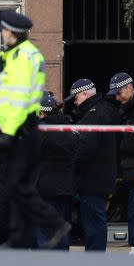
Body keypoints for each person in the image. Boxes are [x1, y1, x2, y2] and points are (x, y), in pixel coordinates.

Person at [0, 10, 71, 249]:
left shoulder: (26, 56)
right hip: (14, 126)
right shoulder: (12, 54)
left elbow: (22, 98)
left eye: (4, 30)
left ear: (12, 32)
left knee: (18, 185)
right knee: (15, 184)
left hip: (21, 128)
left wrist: (9, 130)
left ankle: (54, 222)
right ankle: (19, 239)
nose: (2, 34)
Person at [65, 78, 118, 252]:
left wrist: (72, 166)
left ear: (85, 94)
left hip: (92, 179)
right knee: (95, 220)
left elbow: (86, 147)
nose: (75, 101)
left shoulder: (94, 114)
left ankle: (94, 259)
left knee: (93, 222)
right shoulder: (104, 110)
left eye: (76, 97)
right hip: (99, 177)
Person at [107, 72, 134, 254]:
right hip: (127, 170)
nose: (117, 97)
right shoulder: (127, 108)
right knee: (126, 207)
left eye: (119, 93)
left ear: (129, 88)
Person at [36, 92, 77, 250]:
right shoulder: (68, 129)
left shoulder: (41, 131)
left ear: (42, 112)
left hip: (44, 188)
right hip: (66, 188)